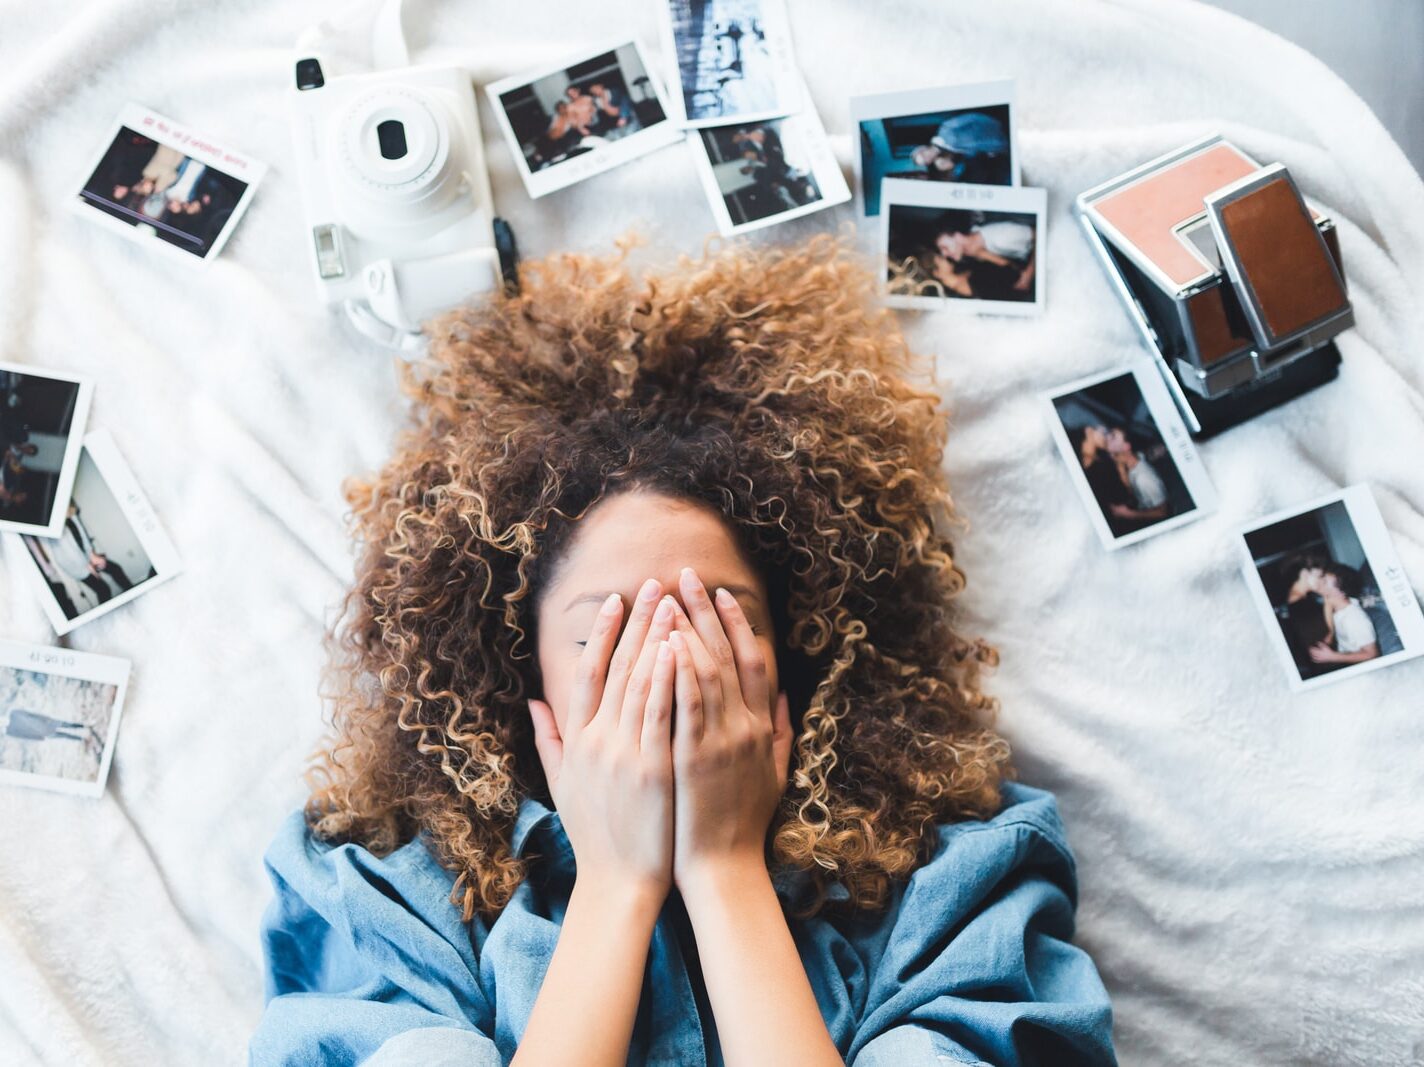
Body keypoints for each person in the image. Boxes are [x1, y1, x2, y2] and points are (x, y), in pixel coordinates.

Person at [249, 236, 1116, 1066]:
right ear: (523, 670)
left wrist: (726, 868)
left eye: (715, 621)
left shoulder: (962, 875)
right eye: (606, 633)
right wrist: (615, 884)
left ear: (796, 651)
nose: (666, 665)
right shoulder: (384, 883)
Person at [909, 111, 1011, 185]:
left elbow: (973, 117)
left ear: (924, 148)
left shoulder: (946, 129)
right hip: (998, 145)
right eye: (926, 162)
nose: (928, 159)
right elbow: (971, 152)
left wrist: (995, 124)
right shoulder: (947, 154)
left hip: (999, 129)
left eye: (923, 155)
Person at [1309, 563, 1381, 667]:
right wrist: (1331, 633)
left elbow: (1372, 654)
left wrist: (1333, 657)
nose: (1319, 582)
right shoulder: (1337, 601)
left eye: (1324, 582)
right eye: (1323, 578)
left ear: (1341, 593)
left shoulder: (1354, 619)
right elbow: (1327, 603)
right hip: (1341, 653)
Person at [1104, 425, 1170, 526]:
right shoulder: (1129, 463)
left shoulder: (1143, 478)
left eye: (1113, 436)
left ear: (1126, 446)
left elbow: (1163, 512)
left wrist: (1129, 514)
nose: (1107, 437)